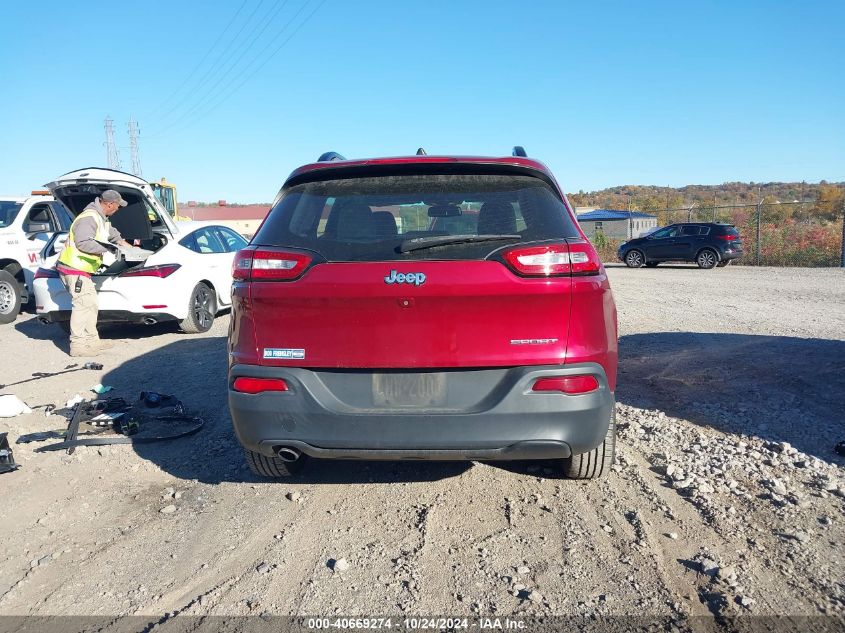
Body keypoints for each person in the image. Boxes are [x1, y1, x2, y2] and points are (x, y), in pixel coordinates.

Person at [56, 190, 137, 357]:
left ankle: (92, 342)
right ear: (109, 204)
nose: (118, 209)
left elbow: (115, 237)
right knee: (82, 305)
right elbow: (83, 243)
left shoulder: (102, 219)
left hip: (81, 270)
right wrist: (109, 249)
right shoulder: (89, 218)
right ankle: (78, 345)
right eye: (117, 206)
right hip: (73, 268)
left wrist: (130, 248)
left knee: (90, 304)